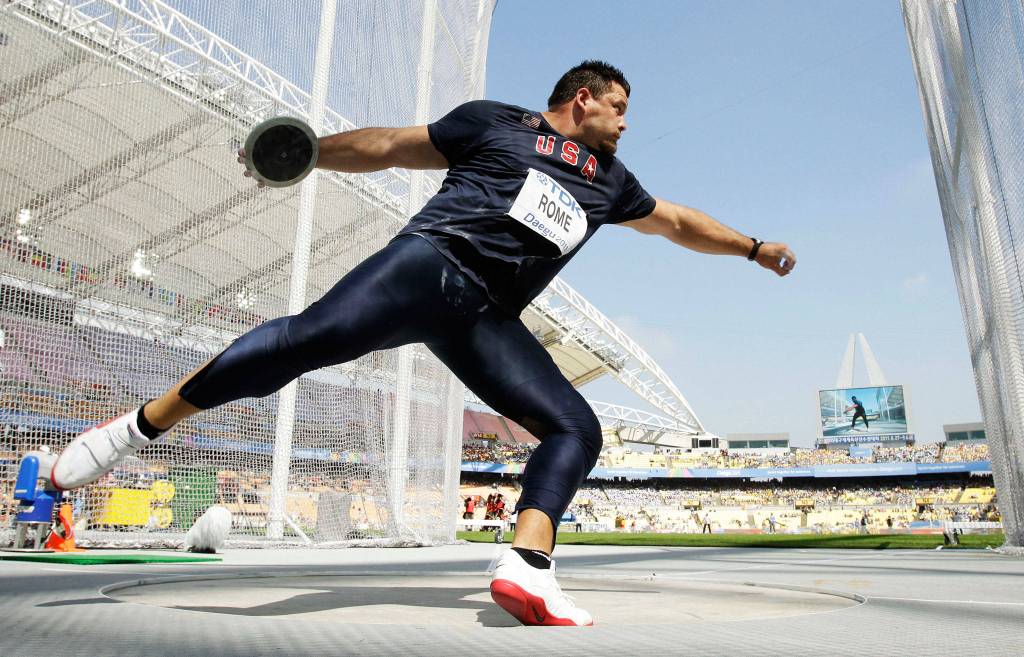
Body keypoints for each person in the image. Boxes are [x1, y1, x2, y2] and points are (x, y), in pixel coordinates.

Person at [50, 60, 795, 627]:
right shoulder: (495, 124)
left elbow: (677, 222)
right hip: (427, 265)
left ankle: (529, 564)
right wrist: (309, 151)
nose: (627, 124)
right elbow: (390, 147)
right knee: (299, 345)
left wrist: (752, 247)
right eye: (620, 109)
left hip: (487, 320)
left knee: (577, 426)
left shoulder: (613, 183)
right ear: (583, 99)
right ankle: (134, 426)